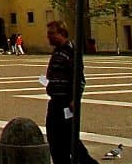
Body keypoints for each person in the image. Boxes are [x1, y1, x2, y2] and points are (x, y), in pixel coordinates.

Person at [44, 20, 98, 164]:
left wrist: (75, 99)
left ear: (61, 33)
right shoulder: (57, 51)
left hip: (66, 104)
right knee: (55, 142)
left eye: (51, 33)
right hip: (55, 102)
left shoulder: (71, 51)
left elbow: (79, 79)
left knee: (70, 141)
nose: (48, 36)